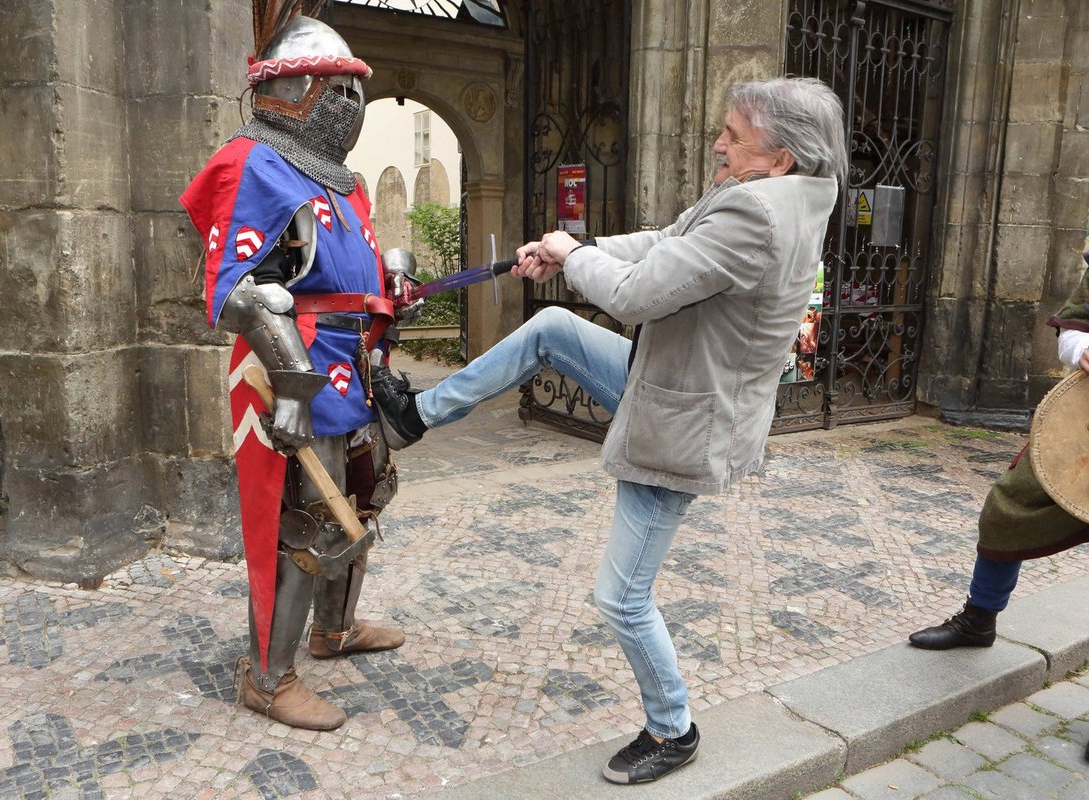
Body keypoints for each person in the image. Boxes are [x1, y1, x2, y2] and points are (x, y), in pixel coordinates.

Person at [373, 76, 847, 784]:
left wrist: (573, 258)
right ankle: (417, 416)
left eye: (734, 136)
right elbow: (665, 243)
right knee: (553, 328)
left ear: (779, 158)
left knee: (620, 596)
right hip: (669, 380)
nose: (718, 142)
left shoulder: (760, 215)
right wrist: (576, 244)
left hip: (688, 419)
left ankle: (672, 729)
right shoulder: (762, 195)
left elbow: (635, 293)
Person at [179, 8, 408, 731]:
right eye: (336, 88)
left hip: (352, 361)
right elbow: (238, 292)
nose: (349, 106)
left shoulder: (339, 179)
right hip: (296, 367)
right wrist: (292, 393)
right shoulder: (252, 161)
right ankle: (269, 678)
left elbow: (334, 269)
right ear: (297, 88)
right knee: (307, 520)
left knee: (366, 492)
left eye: (353, 91)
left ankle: (334, 630)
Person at [908, 250, 1089, 669]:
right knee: (1007, 508)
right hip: (1081, 430)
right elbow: (1073, 327)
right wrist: (1082, 350)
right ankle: (979, 619)